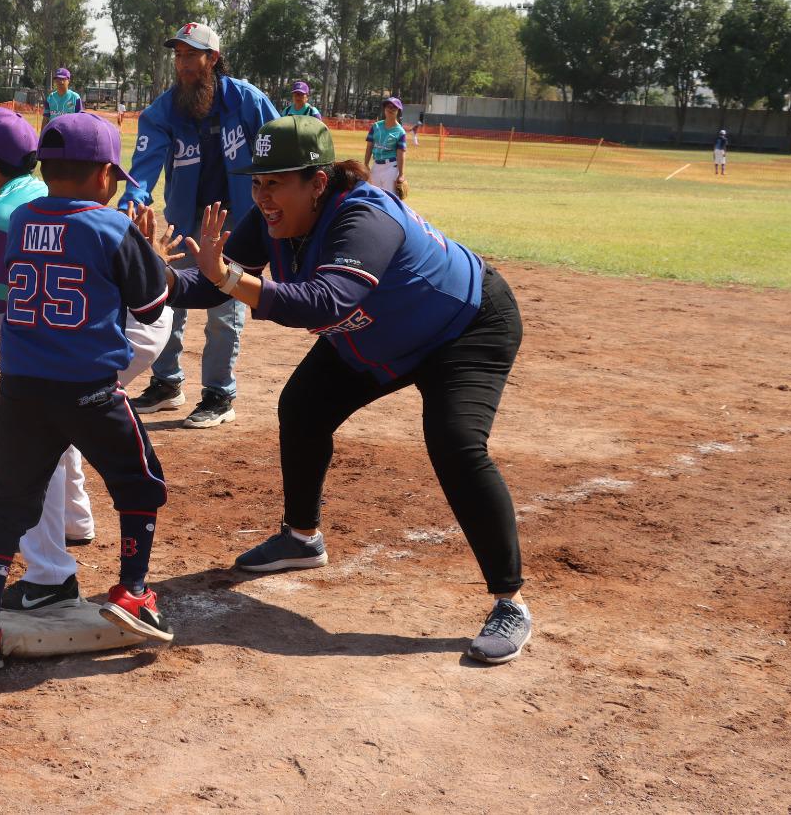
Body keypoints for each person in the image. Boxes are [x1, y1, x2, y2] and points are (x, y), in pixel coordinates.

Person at [151, 115, 532, 664]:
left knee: (454, 442)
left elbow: (324, 301)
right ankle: (301, 537)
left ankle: (509, 600)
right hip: (378, 333)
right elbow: (215, 282)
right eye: (257, 182)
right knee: (303, 407)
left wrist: (227, 278)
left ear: (319, 181)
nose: (263, 196)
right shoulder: (272, 218)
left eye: (277, 181)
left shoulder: (366, 216)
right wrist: (154, 278)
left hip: (463, 328)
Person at [0, 108, 171, 614]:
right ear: (103, 175)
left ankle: (33, 585)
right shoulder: (98, 220)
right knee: (83, 441)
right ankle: (90, 552)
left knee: (33, 457)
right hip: (91, 350)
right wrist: (146, 251)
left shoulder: (19, 216)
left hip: (77, 354)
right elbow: (6, 305)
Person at [120, 21, 280, 429]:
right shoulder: (162, 112)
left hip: (238, 225)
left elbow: (280, 151)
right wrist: (132, 204)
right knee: (168, 300)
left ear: (213, 59)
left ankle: (219, 394)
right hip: (186, 222)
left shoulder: (247, 101)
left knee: (224, 307)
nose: (183, 64)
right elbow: (143, 171)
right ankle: (167, 384)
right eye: (178, 55)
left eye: (192, 55)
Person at [365, 96, 408, 194]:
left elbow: (400, 154)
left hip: (391, 167)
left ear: (398, 111)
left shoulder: (400, 132)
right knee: (374, 195)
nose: (391, 109)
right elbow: (369, 146)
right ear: (384, 109)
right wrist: (366, 164)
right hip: (376, 165)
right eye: (388, 106)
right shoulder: (376, 126)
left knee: (390, 197)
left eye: (394, 107)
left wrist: (401, 174)